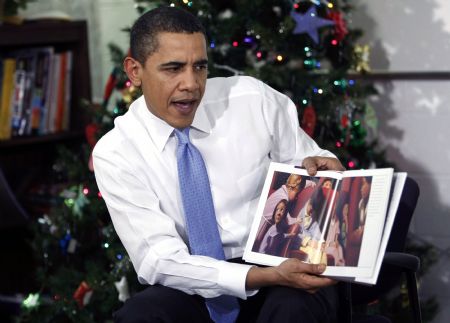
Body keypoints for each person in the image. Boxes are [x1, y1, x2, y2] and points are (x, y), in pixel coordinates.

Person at [93, 6, 345, 323]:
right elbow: (159, 259)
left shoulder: (253, 100)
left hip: (281, 263)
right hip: (194, 276)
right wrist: (258, 277)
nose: (192, 83)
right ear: (134, 71)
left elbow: (313, 172)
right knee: (141, 315)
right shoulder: (116, 152)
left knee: (293, 309)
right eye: (173, 69)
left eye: (199, 67)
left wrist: (324, 169)